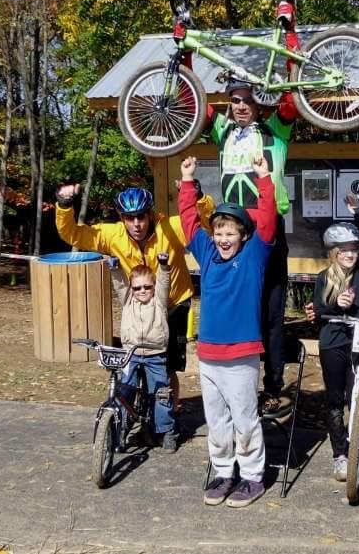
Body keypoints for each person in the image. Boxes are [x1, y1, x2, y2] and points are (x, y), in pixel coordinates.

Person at [185, 50, 297, 418]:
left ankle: (275, 388)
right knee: (236, 307)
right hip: (232, 231)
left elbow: (293, 97)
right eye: (235, 100)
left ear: (258, 104)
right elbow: (192, 101)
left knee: (271, 312)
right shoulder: (224, 132)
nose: (241, 106)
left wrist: (290, 32)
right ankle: (237, 380)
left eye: (248, 100)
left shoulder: (275, 130)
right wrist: (183, 55)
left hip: (266, 229)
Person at [54, 184, 214, 426]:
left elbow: (206, 222)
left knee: (167, 365)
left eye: (141, 216)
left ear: (150, 214)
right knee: (133, 358)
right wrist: (65, 205)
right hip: (139, 306)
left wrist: (197, 195)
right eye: (130, 218)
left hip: (173, 302)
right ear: (122, 218)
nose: (137, 223)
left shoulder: (170, 228)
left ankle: (169, 413)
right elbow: (73, 234)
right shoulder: (112, 234)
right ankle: (131, 408)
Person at [178, 153, 276, 508]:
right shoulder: (206, 254)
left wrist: (264, 178)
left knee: (244, 420)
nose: (222, 238)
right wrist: (187, 181)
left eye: (230, 232)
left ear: (243, 235)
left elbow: (266, 221)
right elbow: (190, 223)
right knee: (216, 420)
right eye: (218, 231)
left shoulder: (253, 256)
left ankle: (252, 477)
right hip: (208, 356)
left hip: (242, 355)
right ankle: (223, 472)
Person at [312, 196, 359, 481]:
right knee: (335, 400)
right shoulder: (323, 278)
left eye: (353, 250)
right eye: (344, 251)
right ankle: (340, 454)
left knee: (358, 397)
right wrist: (339, 304)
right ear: (334, 252)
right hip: (332, 342)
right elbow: (320, 312)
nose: (350, 255)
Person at [108, 253, 177, 451]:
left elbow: (164, 282)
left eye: (147, 286)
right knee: (124, 389)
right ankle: (122, 426)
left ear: (153, 287)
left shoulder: (159, 301)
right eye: (137, 287)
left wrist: (163, 266)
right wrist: (114, 268)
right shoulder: (128, 300)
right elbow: (120, 284)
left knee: (161, 392)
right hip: (131, 353)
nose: (142, 291)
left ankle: (167, 430)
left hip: (156, 354)